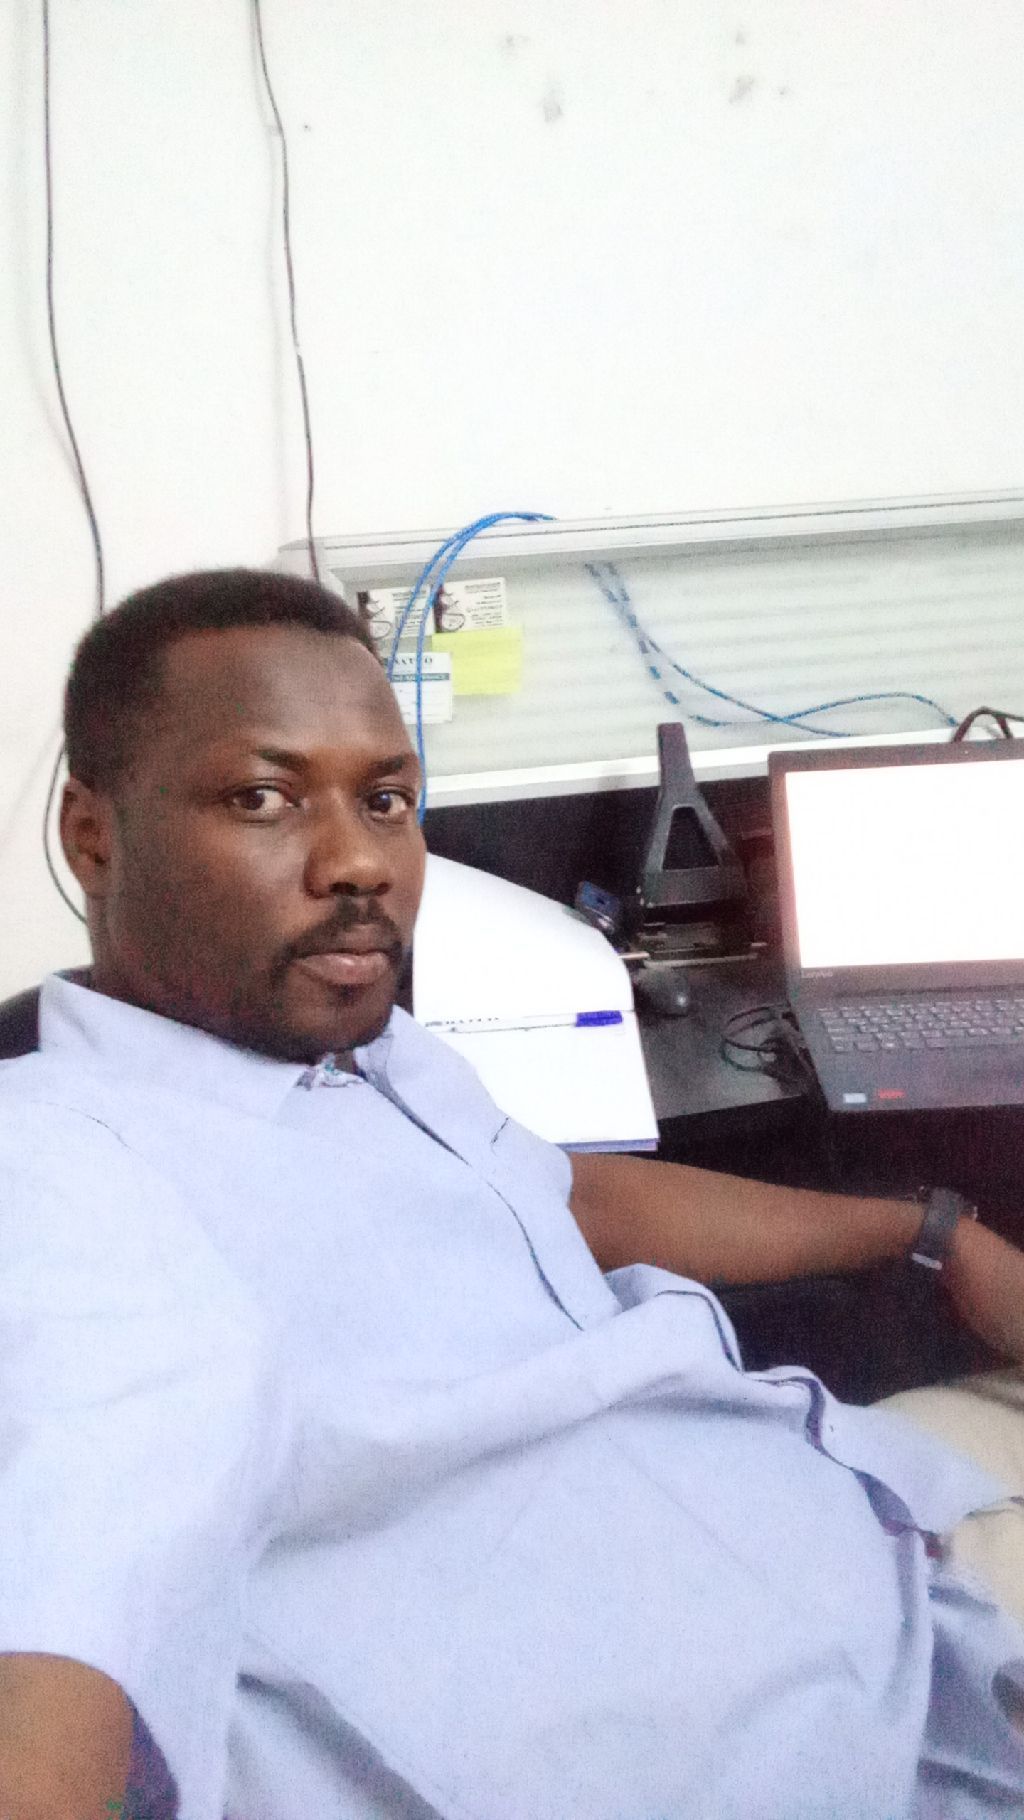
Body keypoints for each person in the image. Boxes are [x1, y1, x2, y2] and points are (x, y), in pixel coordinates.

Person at [1, 568, 1023, 1820]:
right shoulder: (61, 1165)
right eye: (263, 796)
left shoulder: (370, 1051)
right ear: (92, 833)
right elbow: (65, 1595)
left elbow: (555, 1195)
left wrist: (930, 1228)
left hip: (892, 1604)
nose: (358, 861)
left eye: (386, 799)